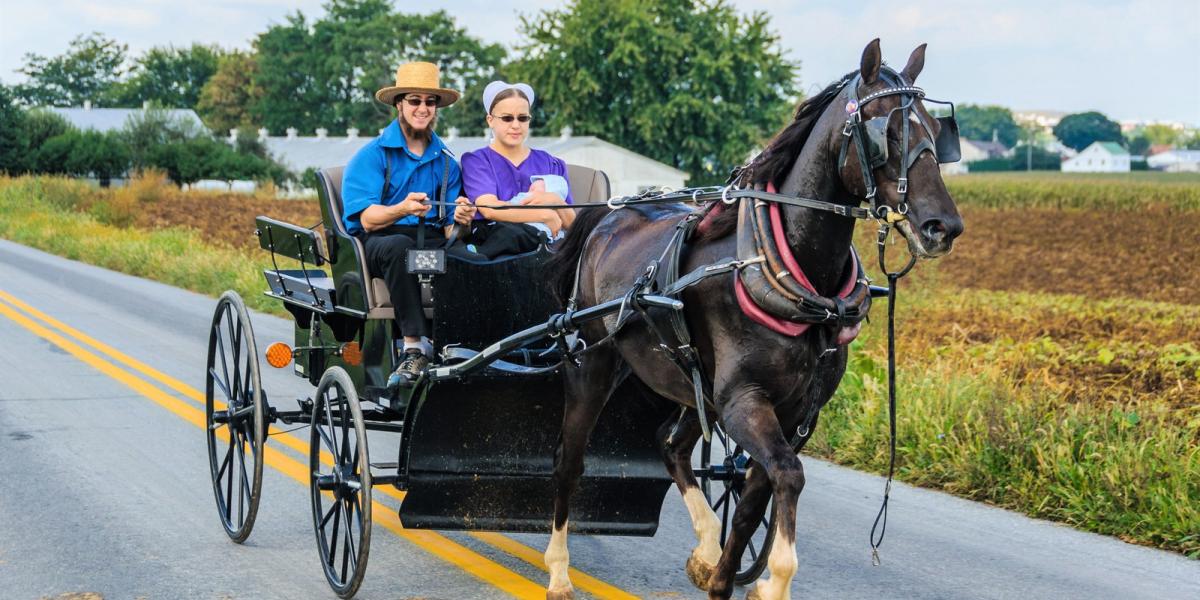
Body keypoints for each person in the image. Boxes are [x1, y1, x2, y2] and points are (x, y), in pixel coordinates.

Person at [341, 61, 477, 386]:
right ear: (399, 104)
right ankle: (414, 347)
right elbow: (367, 219)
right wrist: (401, 208)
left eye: (429, 102)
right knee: (400, 248)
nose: (422, 108)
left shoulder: (446, 162)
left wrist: (462, 220)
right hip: (380, 242)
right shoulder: (373, 155)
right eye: (414, 100)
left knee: (468, 255)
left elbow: (449, 231)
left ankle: (462, 343)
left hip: (430, 238)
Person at [460, 81, 576, 259]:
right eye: (507, 118)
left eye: (523, 118)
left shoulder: (551, 163)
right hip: (495, 247)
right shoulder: (477, 162)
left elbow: (572, 224)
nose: (516, 125)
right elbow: (490, 209)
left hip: (547, 251)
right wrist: (545, 215)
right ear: (490, 120)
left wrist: (553, 200)